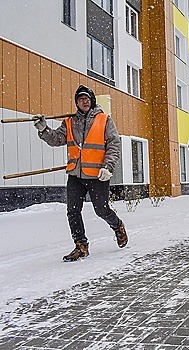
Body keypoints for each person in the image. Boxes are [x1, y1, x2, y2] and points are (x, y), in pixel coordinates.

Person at [33, 85, 128, 261]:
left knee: (102, 210)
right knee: (73, 211)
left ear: (92, 101)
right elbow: (57, 139)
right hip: (76, 175)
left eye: (87, 98)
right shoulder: (69, 122)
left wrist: (108, 167)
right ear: (76, 102)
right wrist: (44, 130)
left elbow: (114, 145)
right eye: (80, 99)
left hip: (98, 175)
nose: (84, 101)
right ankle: (81, 245)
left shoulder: (104, 120)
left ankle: (118, 226)